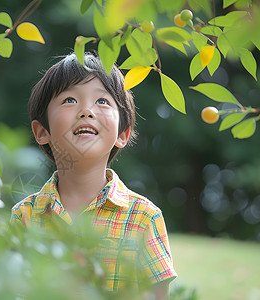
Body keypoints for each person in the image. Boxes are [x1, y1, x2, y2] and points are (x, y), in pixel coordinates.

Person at [10, 52, 177, 299]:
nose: (86, 111)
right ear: (42, 131)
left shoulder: (144, 218)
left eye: (102, 101)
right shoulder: (25, 215)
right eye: (69, 100)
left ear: (123, 134)